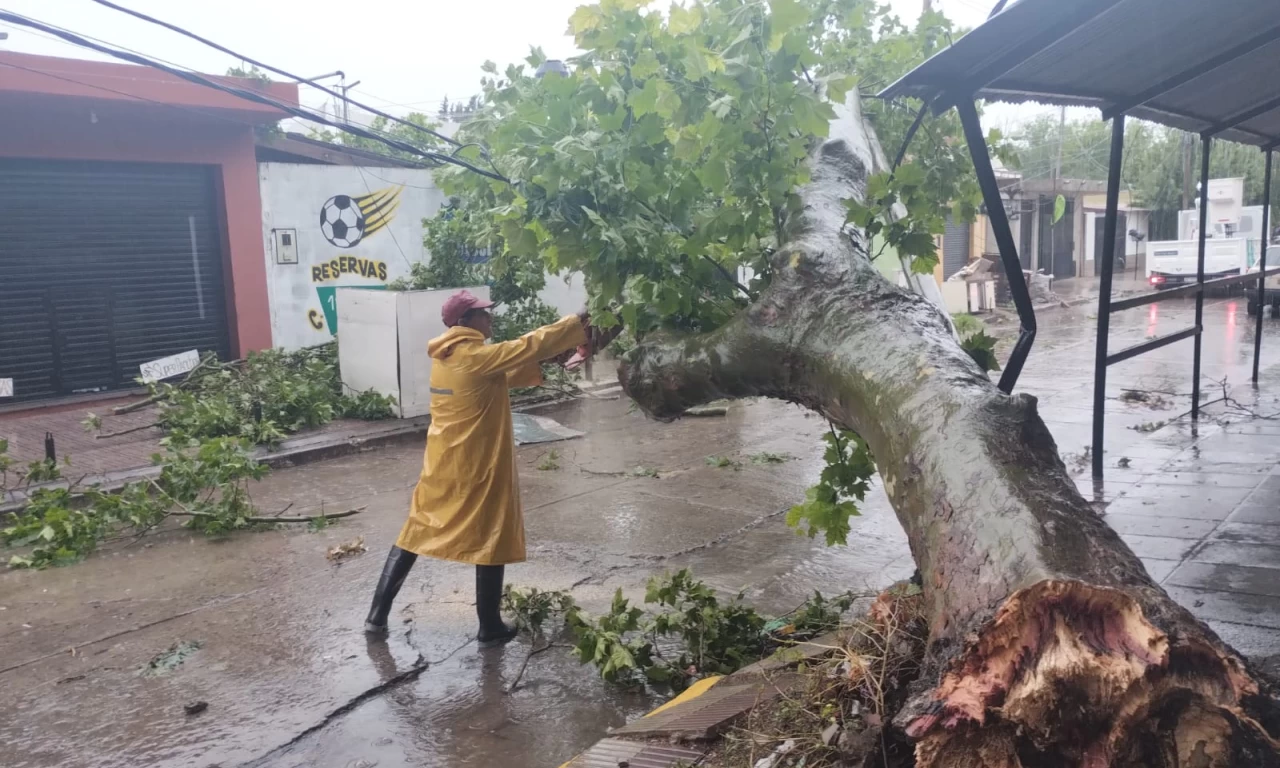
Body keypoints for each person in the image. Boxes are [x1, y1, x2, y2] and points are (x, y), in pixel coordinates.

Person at [364, 289, 589, 647]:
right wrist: (577, 322)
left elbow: (502, 373)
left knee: (415, 533)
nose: (490, 318)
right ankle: (489, 625)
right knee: (491, 534)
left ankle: (376, 616)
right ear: (466, 322)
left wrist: (547, 360)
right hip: (477, 466)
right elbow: (529, 345)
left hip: (441, 465)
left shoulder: (448, 355)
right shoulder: (473, 355)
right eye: (484, 314)